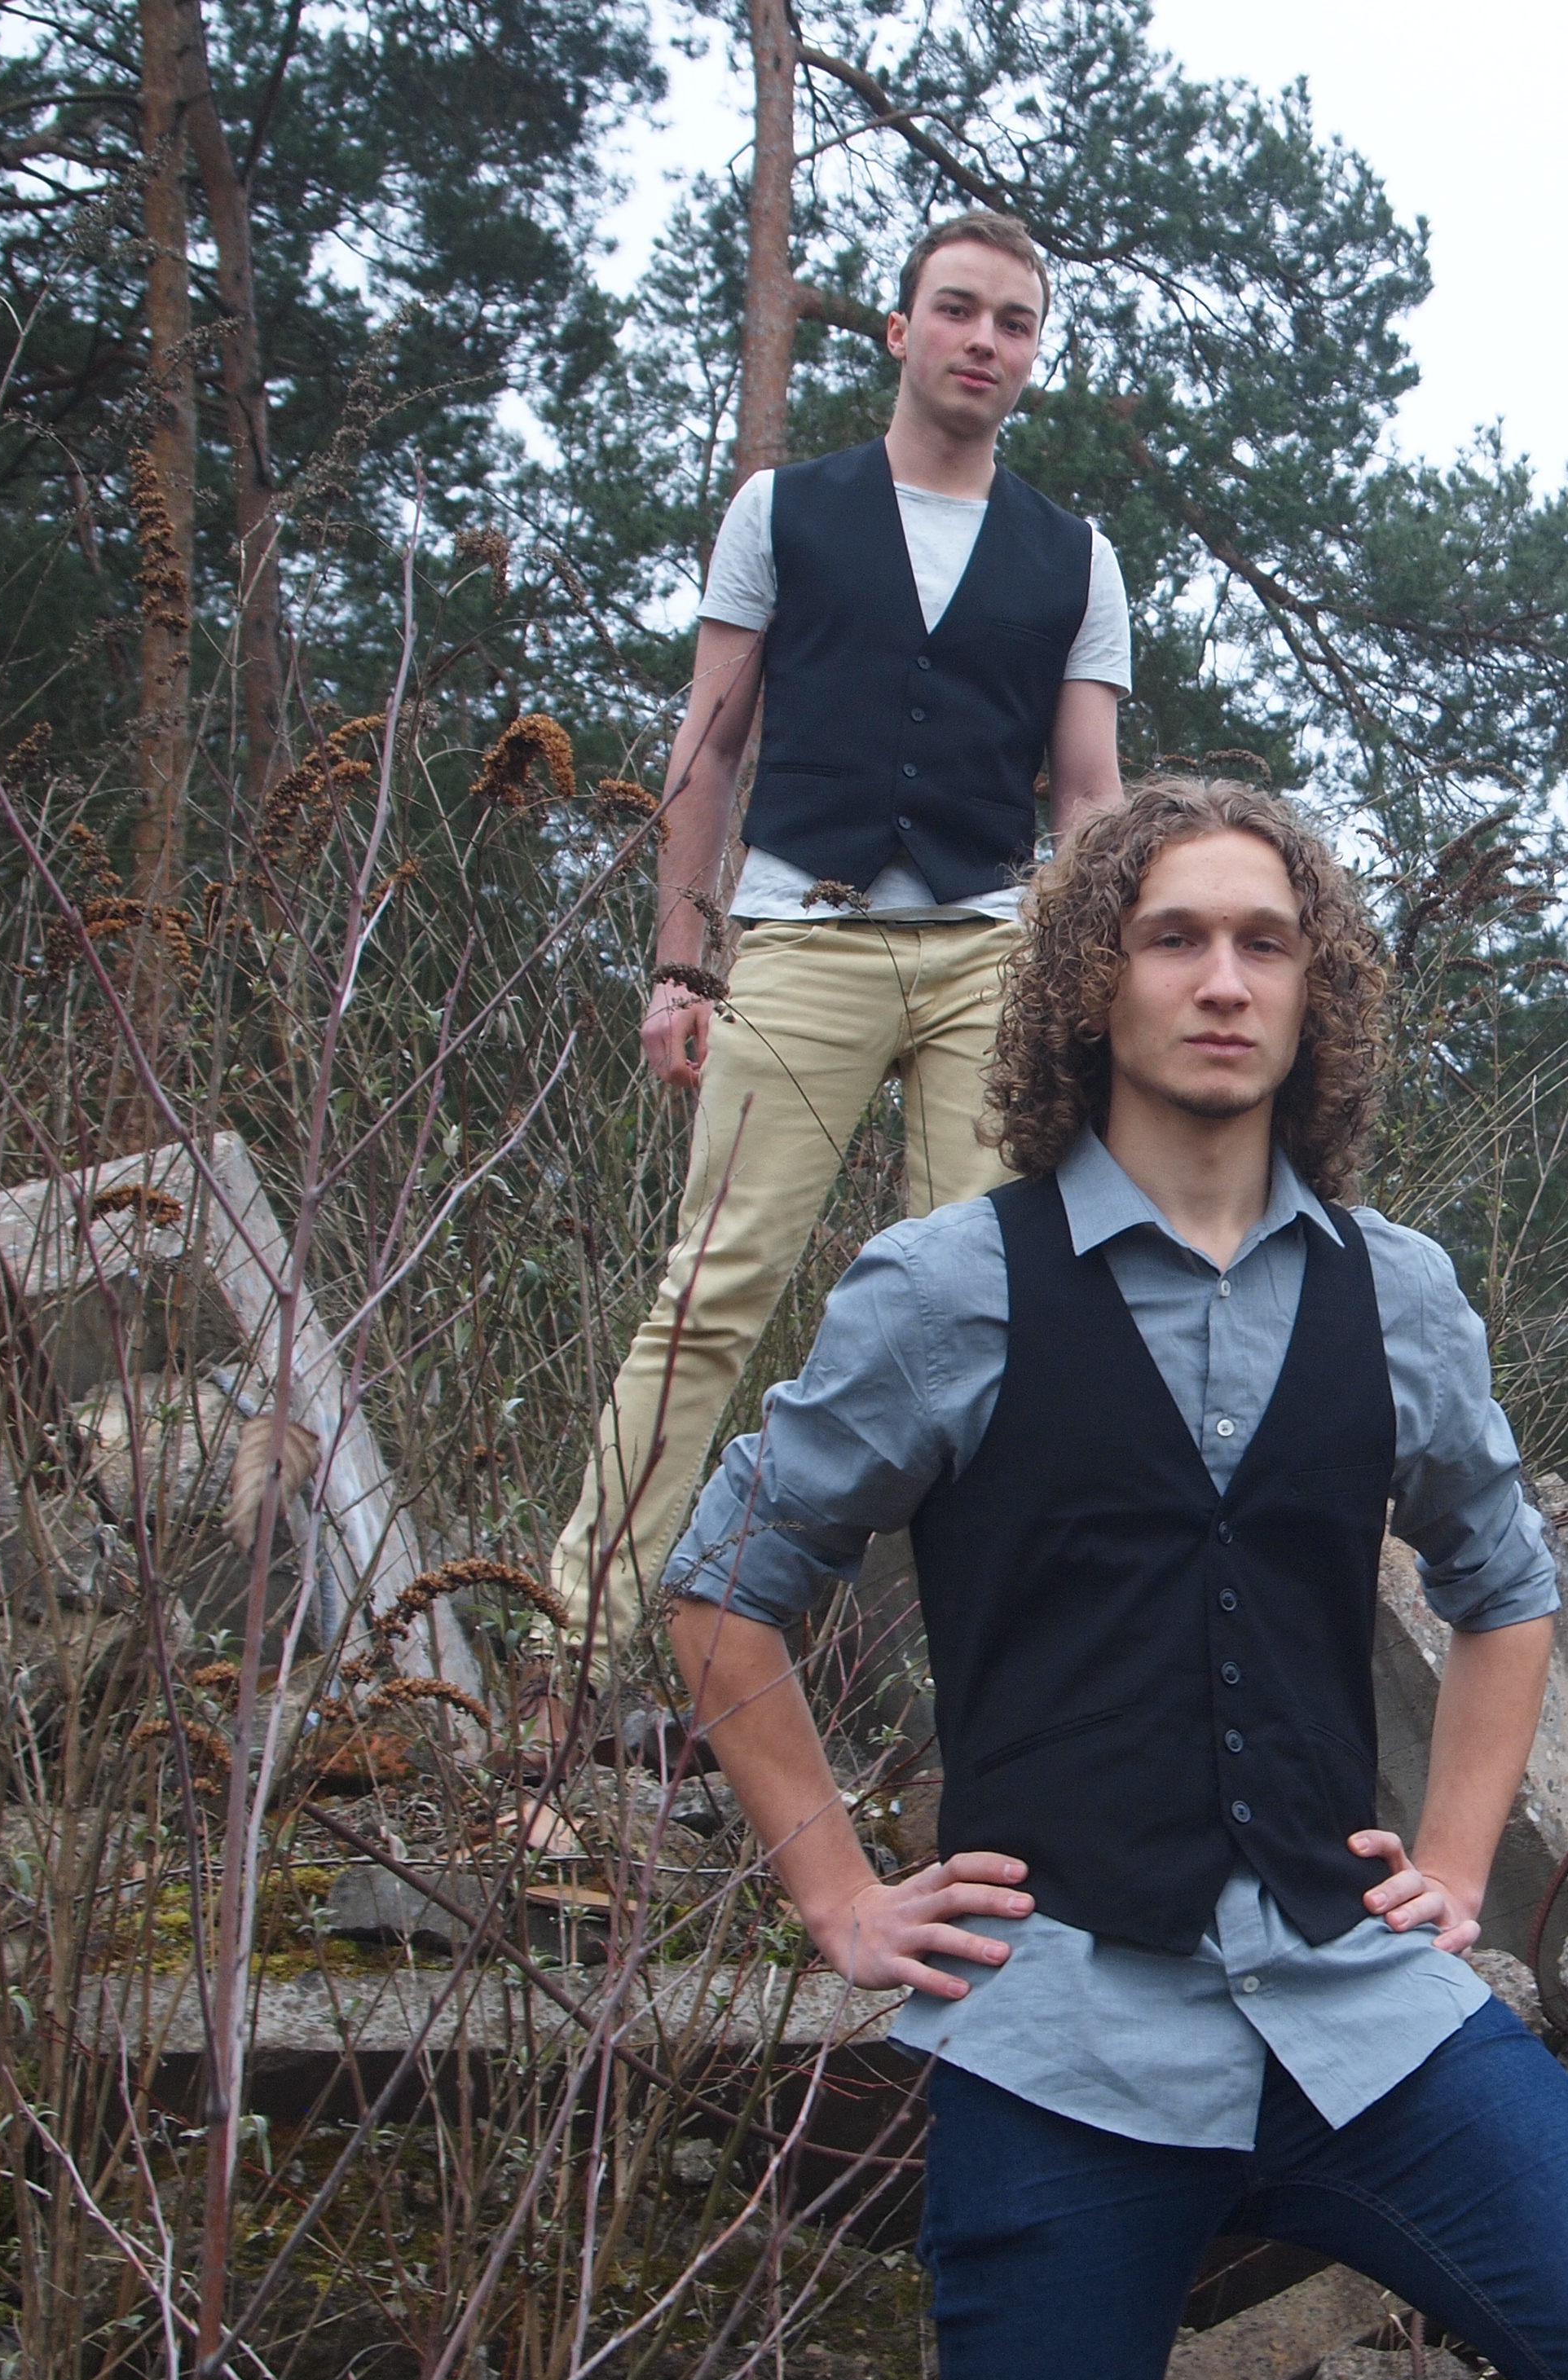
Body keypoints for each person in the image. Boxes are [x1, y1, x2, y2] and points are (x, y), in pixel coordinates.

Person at [661, 779, 1568, 2380]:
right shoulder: (950, 1284)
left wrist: (1455, 1867)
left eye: (1266, 942)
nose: (1225, 981)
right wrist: (838, 1892)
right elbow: (723, 1583)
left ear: (1318, 991)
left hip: (1363, 2018)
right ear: (1092, 984)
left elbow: (1503, 1584)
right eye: (1173, 939)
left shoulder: (1398, 1292)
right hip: (1060, 2041)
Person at [549, 209, 1129, 1671]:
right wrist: (680, 964)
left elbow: (1089, 800)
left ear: (1033, 355)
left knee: (991, 1314)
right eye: (959, 309)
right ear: (900, 329)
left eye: (1014, 322)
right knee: (713, 1288)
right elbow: (708, 750)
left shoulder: (1075, 557)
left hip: (992, 958)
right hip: (802, 936)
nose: (984, 339)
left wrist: (1082, 994)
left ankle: (984, 1684)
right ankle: (572, 1649)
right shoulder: (783, 511)